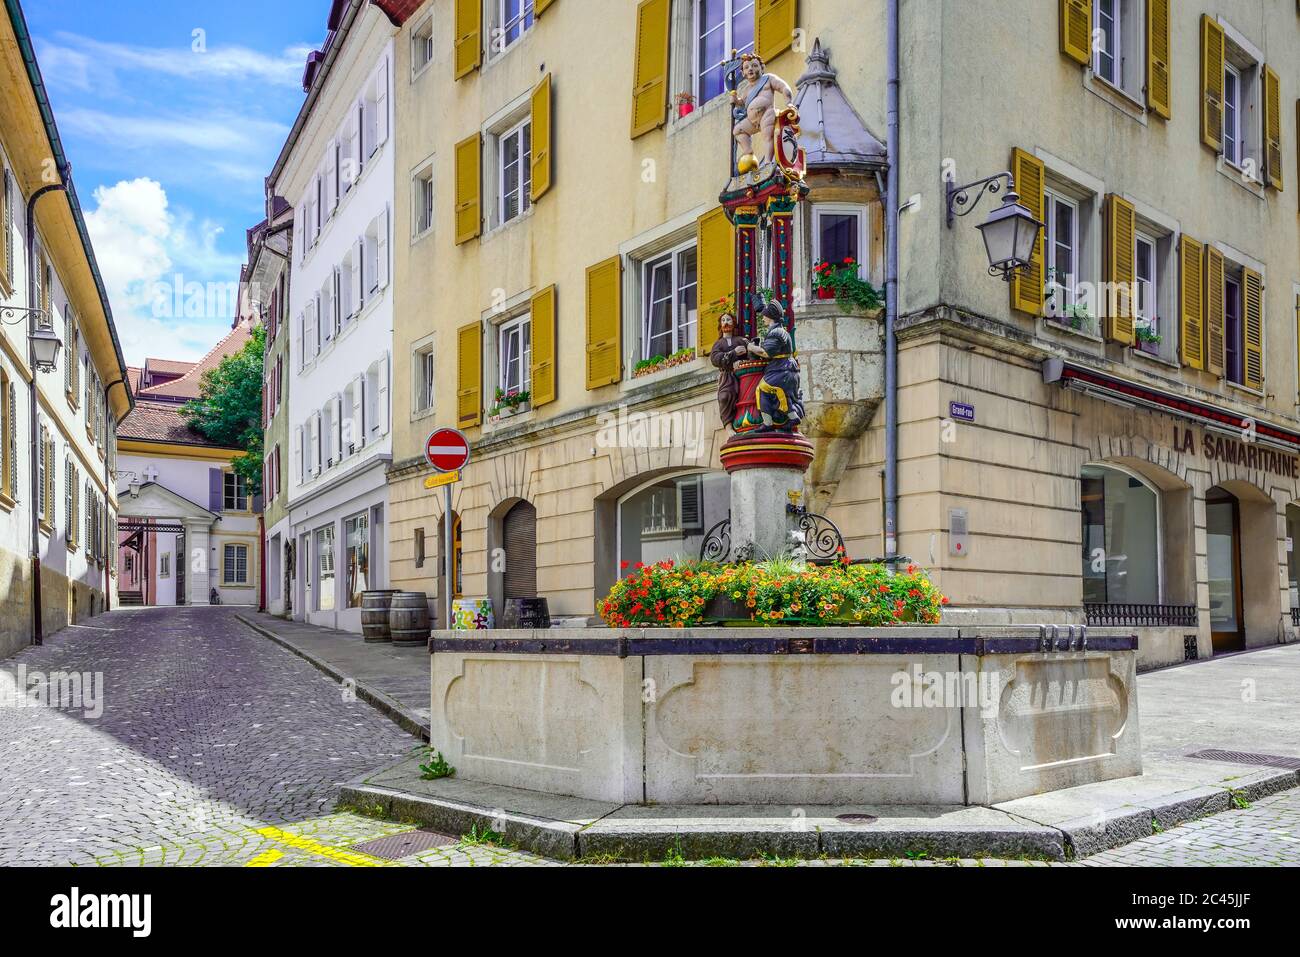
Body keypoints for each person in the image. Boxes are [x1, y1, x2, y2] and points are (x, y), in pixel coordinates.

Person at [732, 54, 795, 175]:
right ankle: (748, 152)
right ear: (743, 73)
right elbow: (741, 104)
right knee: (737, 130)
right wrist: (735, 99)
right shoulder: (746, 90)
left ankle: (767, 163)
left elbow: (783, 87)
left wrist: (789, 103)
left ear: (762, 67)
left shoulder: (768, 79)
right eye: (746, 67)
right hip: (752, 121)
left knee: (768, 136)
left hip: (767, 113)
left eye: (754, 65)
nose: (750, 69)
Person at [748, 301, 803, 433]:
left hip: (782, 369)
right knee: (782, 393)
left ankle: (767, 423)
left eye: (764, 315)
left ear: (770, 316)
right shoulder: (780, 331)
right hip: (786, 369)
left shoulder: (776, 332)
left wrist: (750, 347)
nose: (763, 318)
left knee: (762, 389)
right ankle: (793, 416)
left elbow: (765, 353)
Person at [709, 313, 749, 427]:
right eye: (723, 320)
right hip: (727, 377)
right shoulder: (718, 343)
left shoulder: (741, 340)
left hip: (742, 374)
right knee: (724, 397)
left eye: (728, 320)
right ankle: (728, 426)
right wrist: (734, 353)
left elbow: (751, 353)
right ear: (720, 325)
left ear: (734, 323)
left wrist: (743, 361)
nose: (726, 322)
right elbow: (715, 359)